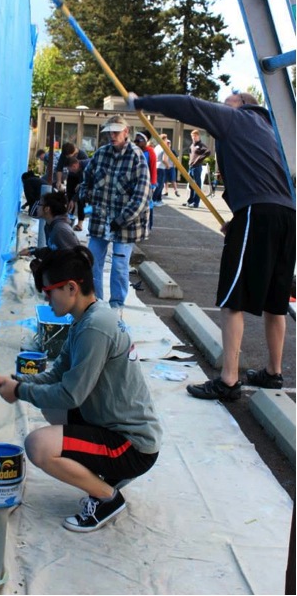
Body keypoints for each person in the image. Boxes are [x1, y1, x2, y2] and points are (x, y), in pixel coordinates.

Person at [126, 90, 296, 401]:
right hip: (287, 216)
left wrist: (141, 102)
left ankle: (229, 381)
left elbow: (188, 106)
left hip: (258, 215)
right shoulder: (273, 132)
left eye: (228, 99)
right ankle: (273, 373)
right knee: (276, 302)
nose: (221, 104)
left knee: (232, 299)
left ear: (241, 104)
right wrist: (240, 217)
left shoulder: (235, 118)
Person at [0, 246, 162, 532]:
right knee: (49, 405)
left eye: (49, 292)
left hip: (132, 445)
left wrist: (19, 391)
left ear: (71, 287)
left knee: (37, 445)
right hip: (111, 427)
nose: (46, 300)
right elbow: (56, 376)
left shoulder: (95, 328)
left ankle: (108, 498)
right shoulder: (86, 320)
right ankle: (106, 477)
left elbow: (69, 395)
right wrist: (13, 382)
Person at [78, 116, 150, 308]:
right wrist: (86, 195)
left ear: (126, 132)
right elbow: (86, 181)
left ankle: (116, 307)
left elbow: (142, 195)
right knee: (92, 263)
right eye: (110, 131)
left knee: (119, 267)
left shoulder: (137, 157)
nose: (112, 135)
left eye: (116, 132)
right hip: (100, 220)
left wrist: (122, 218)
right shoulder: (101, 154)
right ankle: (96, 305)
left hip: (125, 225)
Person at [19, 191, 80, 271]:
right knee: (35, 264)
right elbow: (52, 251)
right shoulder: (49, 225)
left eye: (39, 205)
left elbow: (75, 260)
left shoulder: (60, 229)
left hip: (69, 276)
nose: (37, 207)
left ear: (47, 209)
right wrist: (33, 251)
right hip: (61, 271)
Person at [133, 132, 157, 237]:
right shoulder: (134, 151)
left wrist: (153, 184)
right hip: (135, 182)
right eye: (136, 140)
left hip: (147, 183)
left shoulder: (149, 152)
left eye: (139, 140)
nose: (137, 142)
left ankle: (148, 227)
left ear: (145, 141)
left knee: (148, 206)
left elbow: (153, 168)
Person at [182, 129, 211, 208]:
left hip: (197, 167)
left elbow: (208, 152)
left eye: (195, 136)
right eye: (192, 136)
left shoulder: (200, 145)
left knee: (197, 186)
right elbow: (191, 154)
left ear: (198, 136)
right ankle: (190, 201)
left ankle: (196, 203)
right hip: (191, 167)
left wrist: (198, 159)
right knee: (191, 185)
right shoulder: (192, 145)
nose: (194, 137)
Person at [66, 155, 90, 231]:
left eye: (71, 170)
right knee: (81, 199)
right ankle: (82, 221)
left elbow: (84, 186)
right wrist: (73, 199)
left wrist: (73, 200)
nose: (72, 172)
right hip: (90, 186)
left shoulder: (87, 166)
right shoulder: (79, 169)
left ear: (75, 165)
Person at [152, 134, 169, 207]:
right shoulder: (164, 148)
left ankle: (158, 199)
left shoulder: (156, 147)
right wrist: (167, 165)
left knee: (159, 184)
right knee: (160, 185)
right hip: (161, 167)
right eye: (166, 139)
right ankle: (154, 200)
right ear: (164, 140)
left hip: (156, 166)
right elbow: (164, 159)